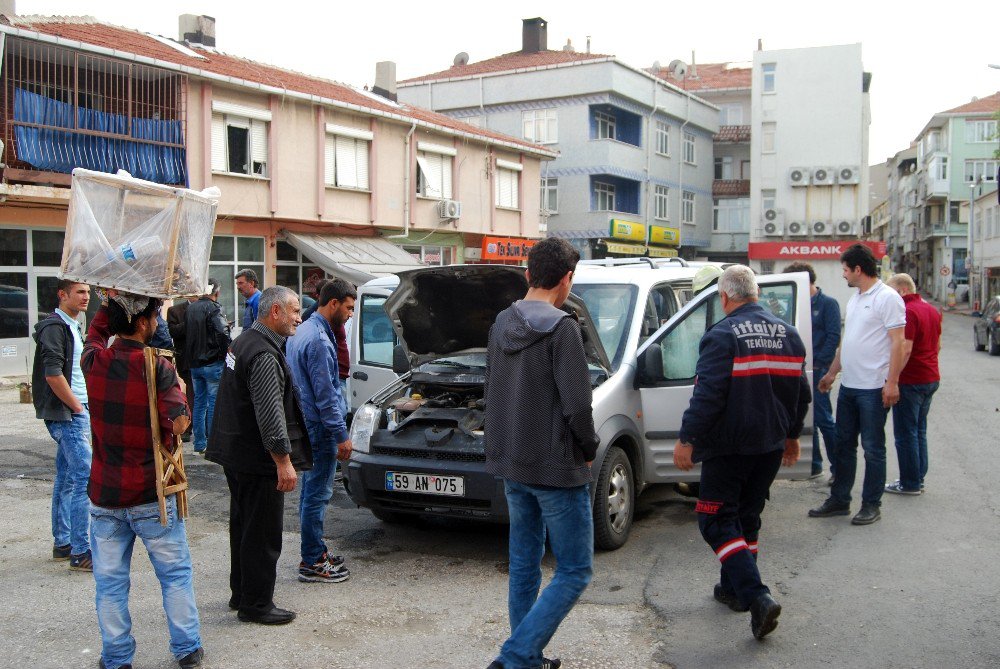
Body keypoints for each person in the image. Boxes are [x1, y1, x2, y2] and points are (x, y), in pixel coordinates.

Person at [673, 265, 810, 641]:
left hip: (729, 446)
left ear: (724, 296)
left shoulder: (721, 336)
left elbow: (708, 394)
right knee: (746, 518)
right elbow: (801, 394)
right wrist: (793, 436)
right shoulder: (789, 334)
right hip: (768, 446)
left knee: (714, 521)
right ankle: (732, 589)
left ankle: (756, 596)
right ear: (757, 294)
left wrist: (688, 439)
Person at [484, 237, 598, 669]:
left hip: (512, 462)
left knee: (524, 563)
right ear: (567, 279)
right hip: (555, 468)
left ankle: (526, 657)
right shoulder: (563, 327)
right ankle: (515, 655)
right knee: (574, 570)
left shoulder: (500, 323)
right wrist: (588, 448)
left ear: (529, 274)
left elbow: (491, 389)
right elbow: (577, 405)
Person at [83, 291, 203, 669]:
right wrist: (182, 393)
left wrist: (109, 301)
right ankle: (186, 648)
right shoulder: (157, 367)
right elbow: (179, 424)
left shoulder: (93, 362)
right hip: (152, 495)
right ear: (142, 322)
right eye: (153, 316)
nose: (156, 322)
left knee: (110, 583)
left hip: (105, 495)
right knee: (175, 576)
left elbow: (94, 334)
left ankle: (117, 657)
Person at [206, 286, 312, 626]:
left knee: (244, 526)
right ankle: (256, 604)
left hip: (237, 453)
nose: (299, 317)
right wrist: (283, 461)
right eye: (295, 311)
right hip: (256, 458)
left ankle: (242, 592)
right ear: (275, 312)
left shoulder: (244, 340)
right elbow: (269, 414)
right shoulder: (264, 353)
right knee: (263, 532)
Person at [809, 244, 906, 526]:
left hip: (874, 387)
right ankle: (840, 500)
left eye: (845, 269)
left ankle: (871, 504)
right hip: (850, 386)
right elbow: (847, 343)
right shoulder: (855, 299)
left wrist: (892, 382)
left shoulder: (886, 298)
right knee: (843, 445)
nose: (843, 275)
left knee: (873, 448)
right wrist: (831, 374)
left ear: (858, 269)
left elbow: (898, 342)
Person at [286, 279, 356, 584]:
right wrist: (341, 435)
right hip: (320, 427)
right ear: (333, 303)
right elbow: (326, 395)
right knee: (318, 494)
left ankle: (314, 550)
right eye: (349, 307)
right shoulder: (318, 340)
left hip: (307, 423)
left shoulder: (304, 330)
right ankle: (312, 560)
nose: (352, 314)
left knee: (310, 492)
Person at [31, 279, 93, 570]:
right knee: (85, 477)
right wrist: (78, 406)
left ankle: (63, 543)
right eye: (80, 292)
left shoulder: (71, 325)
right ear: (62, 294)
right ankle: (81, 552)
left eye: (88, 292)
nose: (86, 297)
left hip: (73, 411)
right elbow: (53, 374)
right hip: (68, 414)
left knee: (68, 477)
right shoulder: (55, 327)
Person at [884, 273, 941, 495]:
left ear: (901, 290)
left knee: (905, 433)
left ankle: (910, 483)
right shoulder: (931, 310)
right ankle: (918, 477)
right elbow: (937, 345)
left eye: (892, 292)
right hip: (930, 377)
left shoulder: (907, 311)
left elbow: (905, 348)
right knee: (919, 430)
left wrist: (893, 379)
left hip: (911, 379)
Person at [784, 262, 841, 480]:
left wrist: (820, 364)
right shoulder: (794, 303)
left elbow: (834, 336)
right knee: (806, 418)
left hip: (817, 369)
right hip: (799, 368)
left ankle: (839, 469)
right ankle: (814, 465)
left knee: (824, 419)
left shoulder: (828, 304)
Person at [184, 280, 230, 454]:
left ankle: (200, 443)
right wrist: (225, 353)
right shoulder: (214, 308)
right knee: (213, 403)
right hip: (212, 362)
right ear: (216, 293)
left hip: (195, 363)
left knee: (199, 402)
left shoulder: (191, 308)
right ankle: (212, 443)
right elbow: (222, 333)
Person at [168, 297, 197, 443]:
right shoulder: (175, 310)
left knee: (205, 397)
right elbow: (173, 331)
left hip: (204, 359)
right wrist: (191, 321)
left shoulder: (207, 307)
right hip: (185, 359)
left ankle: (202, 431)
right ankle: (187, 427)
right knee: (188, 393)